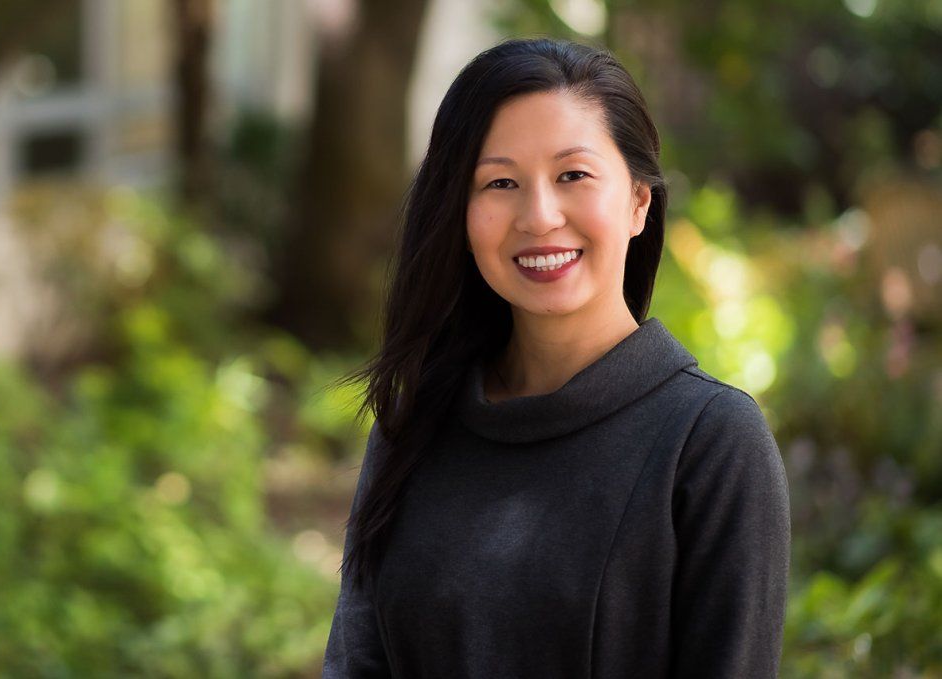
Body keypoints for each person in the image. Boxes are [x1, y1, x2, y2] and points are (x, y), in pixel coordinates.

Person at [322, 37, 791, 678]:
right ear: (459, 213)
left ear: (638, 201)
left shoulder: (711, 443)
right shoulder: (416, 419)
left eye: (573, 175)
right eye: (500, 182)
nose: (539, 217)